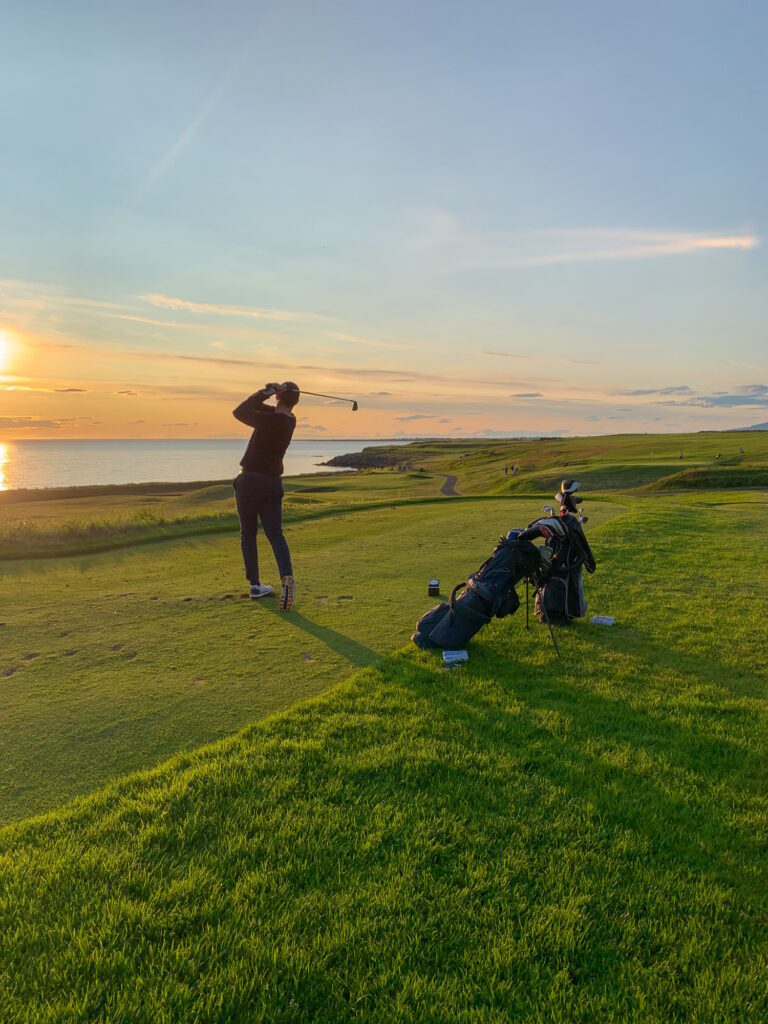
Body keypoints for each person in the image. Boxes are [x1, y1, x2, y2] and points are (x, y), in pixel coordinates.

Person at [232, 382, 299, 609]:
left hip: (250, 481)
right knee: (275, 534)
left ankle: (255, 585)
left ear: (279, 397)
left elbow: (239, 411)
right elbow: (270, 411)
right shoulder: (290, 421)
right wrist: (276, 394)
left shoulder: (270, 420)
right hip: (272, 483)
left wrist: (264, 392)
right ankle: (287, 576)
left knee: (248, 533)